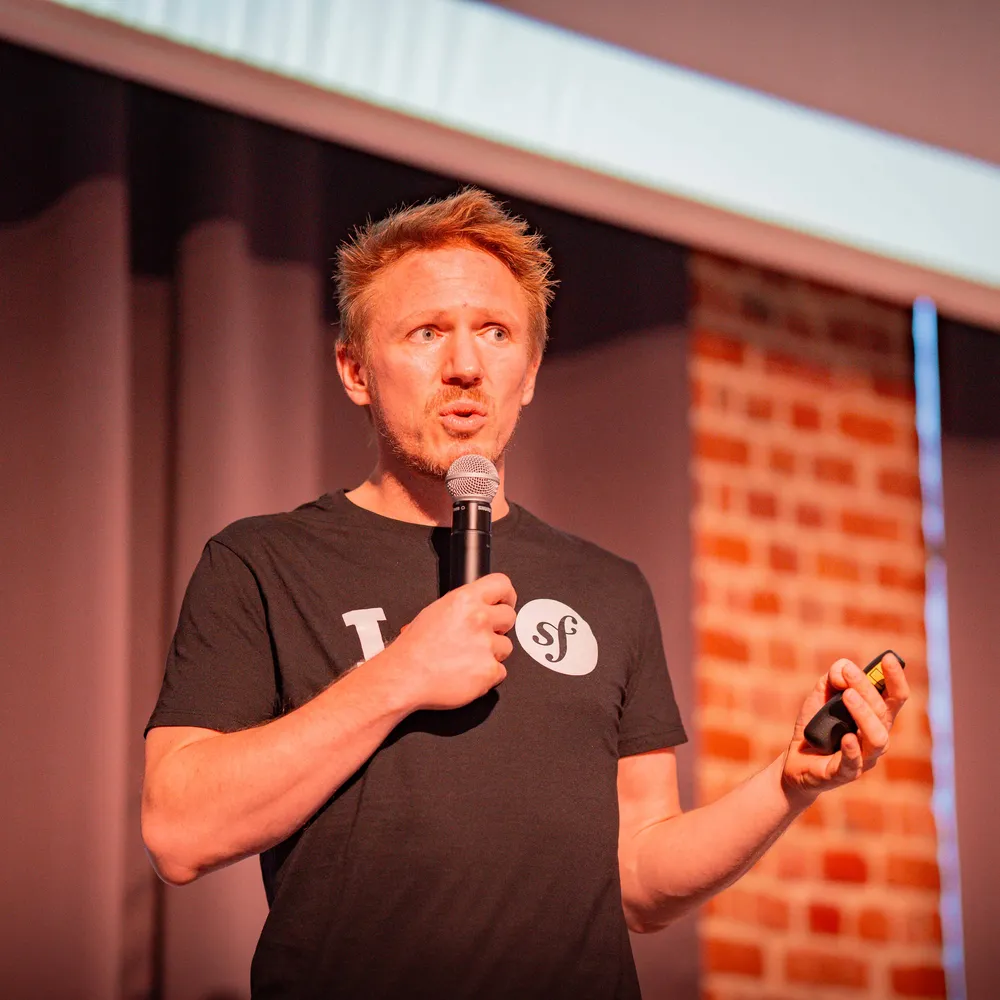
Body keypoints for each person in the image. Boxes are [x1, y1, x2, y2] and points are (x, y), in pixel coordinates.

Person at [141, 189, 909, 999]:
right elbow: (179, 829)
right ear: (355, 370)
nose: (466, 365)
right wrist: (401, 675)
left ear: (531, 373)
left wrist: (788, 784)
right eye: (427, 331)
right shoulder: (264, 562)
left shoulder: (609, 588)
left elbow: (640, 877)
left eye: (496, 333)